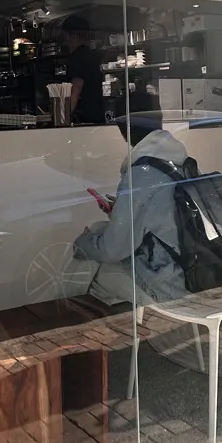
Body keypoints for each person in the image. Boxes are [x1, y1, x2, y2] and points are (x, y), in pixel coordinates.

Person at [71, 106, 188, 305]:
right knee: (100, 229)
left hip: (168, 283)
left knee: (96, 269)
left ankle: (74, 316)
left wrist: (81, 243)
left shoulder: (141, 174)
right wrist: (120, 211)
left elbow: (112, 250)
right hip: (189, 268)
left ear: (125, 133)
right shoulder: (180, 160)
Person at [61, 15, 105, 124]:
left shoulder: (77, 58)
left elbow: (75, 90)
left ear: (68, 36)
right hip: (97, 116)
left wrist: (63, 118)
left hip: (84, 119)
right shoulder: (91, 56)